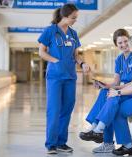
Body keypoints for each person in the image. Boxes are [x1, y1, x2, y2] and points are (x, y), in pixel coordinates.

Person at [37, 3, 90, 154]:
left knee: (67, 110)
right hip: (55, 77)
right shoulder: (50, 31)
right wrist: (56, 61)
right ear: (65, 16)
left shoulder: (73, 34)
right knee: (54, 110)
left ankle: (61, 142)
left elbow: (75, 54)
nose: (75, 20)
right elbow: (41, 52)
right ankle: (51, 144)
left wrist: (83, 63)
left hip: (70, 77)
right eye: (73, 18)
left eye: (76, 18)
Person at [79, 29, 132, 153]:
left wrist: (116, 89)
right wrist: (104, 84)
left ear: (130, 40)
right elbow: (116, 81)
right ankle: (96, 128)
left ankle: (100, 133)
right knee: (105, 92)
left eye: (126, 41)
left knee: (112, 101)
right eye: (120, 43)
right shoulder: (119, 59)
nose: (124, 45)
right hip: (122, 89)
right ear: (116, 45)